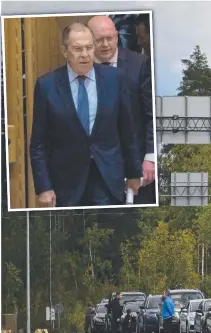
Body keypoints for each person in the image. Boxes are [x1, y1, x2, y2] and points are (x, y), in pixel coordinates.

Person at [29, 23, 142, 208]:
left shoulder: (116, 79)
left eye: (89, 47)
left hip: (107, 179)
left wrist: (134, 172)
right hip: (67, 184)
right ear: (65, 51)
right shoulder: (46, 86)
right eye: (77, 49)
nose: (85, 54)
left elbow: (127, 131)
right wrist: (44, 187)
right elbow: (38, 144)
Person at [87, 16, 155, 205]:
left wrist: (150, 156)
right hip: (97, 168)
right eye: (99, 40)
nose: (106, 44)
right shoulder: (81, 69)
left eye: (110, 38)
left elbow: (151, 114)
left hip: (138, 166)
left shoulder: (140, 65)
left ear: (117, 36)